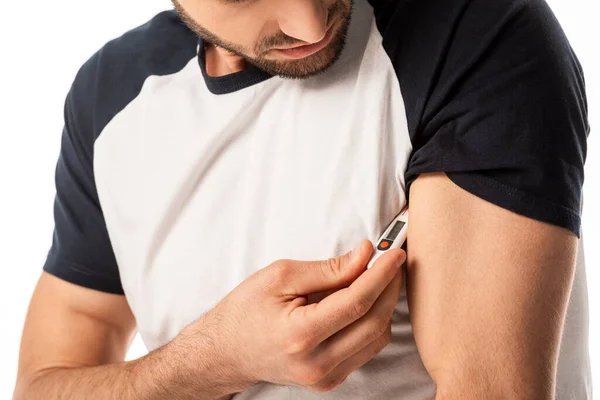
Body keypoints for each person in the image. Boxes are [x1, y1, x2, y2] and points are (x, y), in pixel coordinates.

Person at [13, 0, 591, 398]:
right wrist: (215, 361)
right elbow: (43, 385)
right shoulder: (109, 97)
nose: (310, 23)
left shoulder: (472, 32)